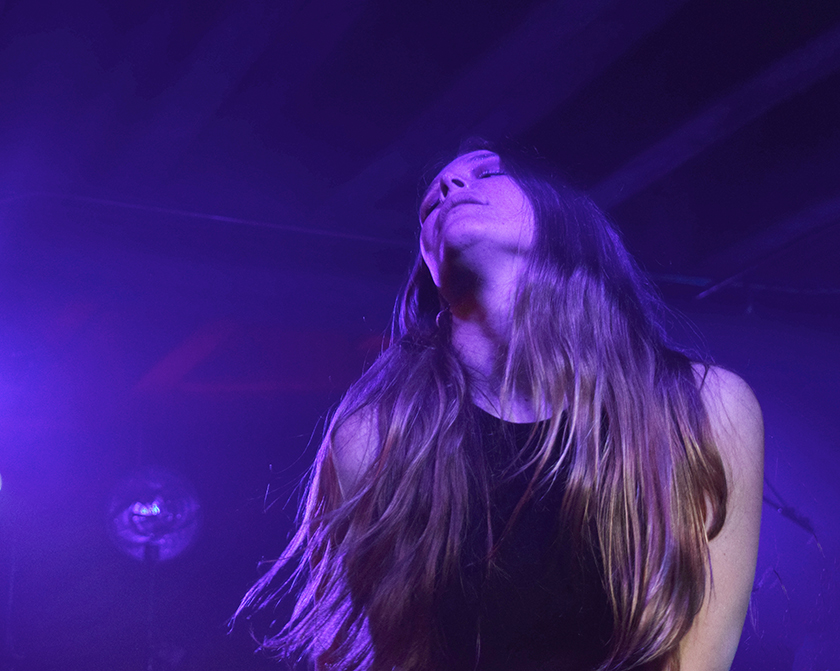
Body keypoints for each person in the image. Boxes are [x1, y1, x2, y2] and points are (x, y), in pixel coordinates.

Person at [236, 143, 764, 670]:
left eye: (487, 172)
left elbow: (700, 659)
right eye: (429, 205)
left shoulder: (703, 409)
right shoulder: (375, 442)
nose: (448, 189)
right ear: (429, 265)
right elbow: (405, 656)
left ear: (561, 215)